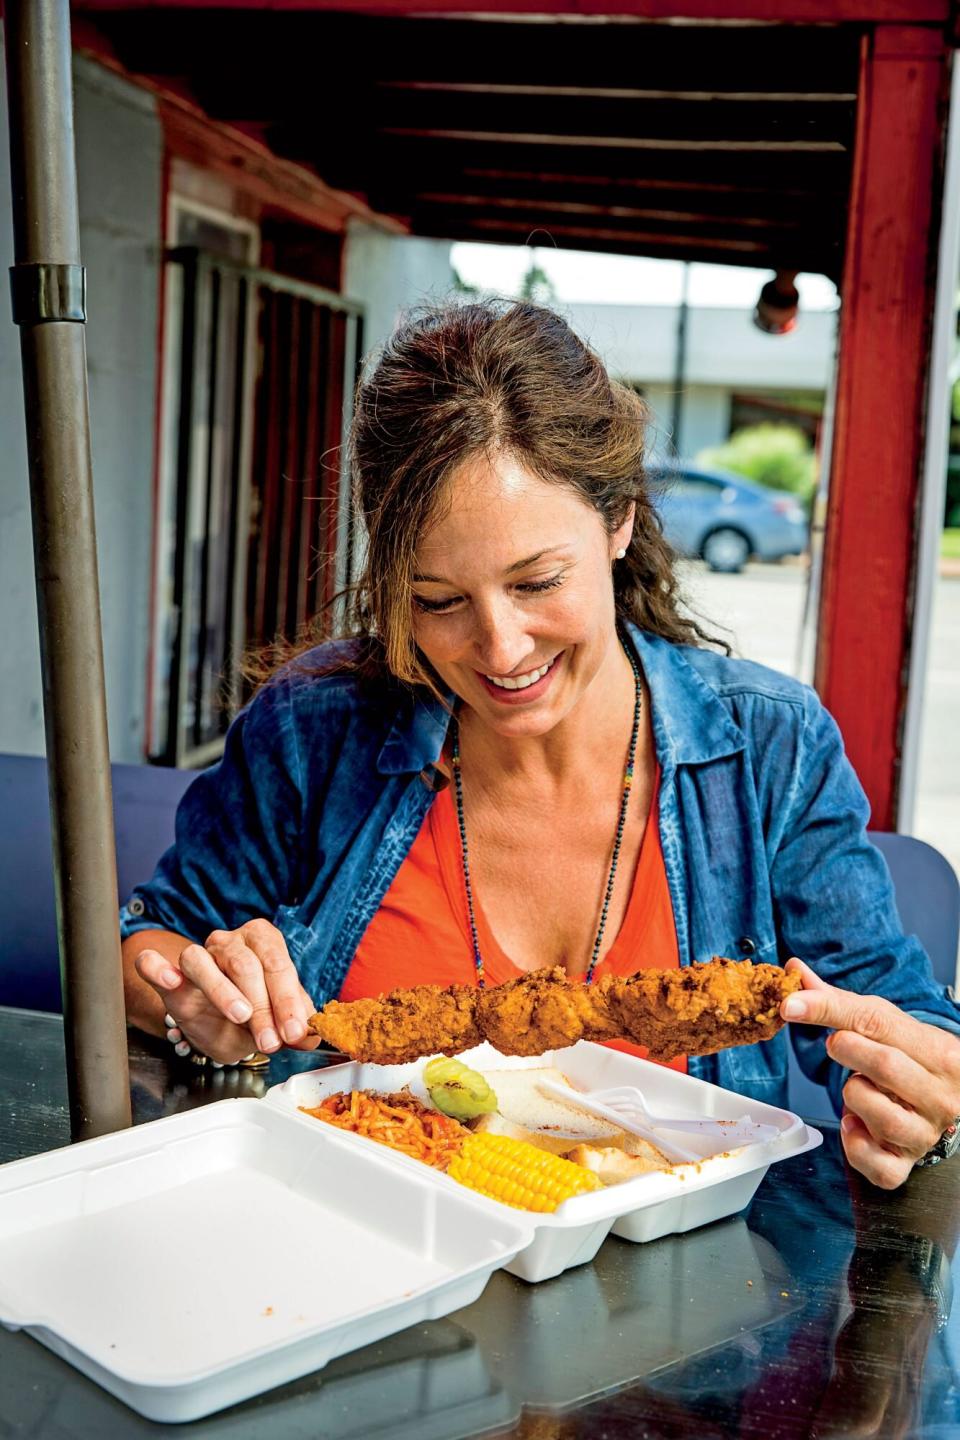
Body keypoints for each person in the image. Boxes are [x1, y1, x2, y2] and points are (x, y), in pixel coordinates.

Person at [121, 299, 960, 1190]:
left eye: (538, 581)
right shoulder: (315, 725)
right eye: (438, 599)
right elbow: (147, 946)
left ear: (620, 521)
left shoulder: (771, 746)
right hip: (359, 1244)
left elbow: (890, 1012)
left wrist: (923, 1100)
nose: (501, 648)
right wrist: (195, 1005)